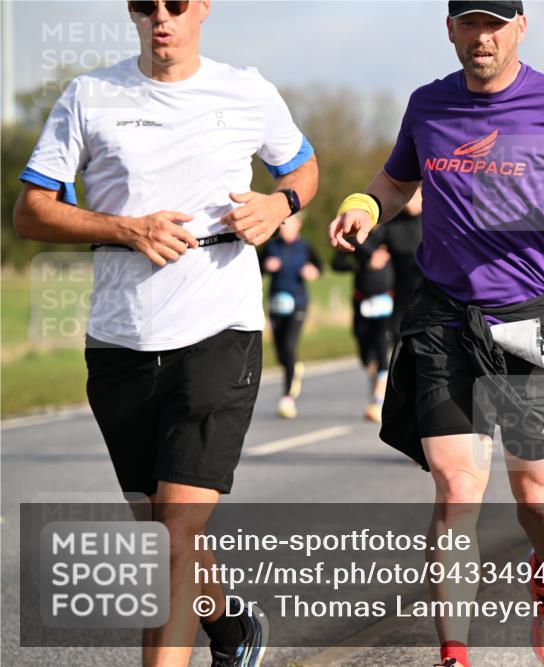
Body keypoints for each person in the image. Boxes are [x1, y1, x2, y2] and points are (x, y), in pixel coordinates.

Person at [327, 3, 544, 666]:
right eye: (469, 23)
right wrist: (363, 206)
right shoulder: (428, 105)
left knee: (534, 490)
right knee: (457, 486)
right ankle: (453, 653)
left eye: (495, 23)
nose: (482, 37)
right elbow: (395, 180)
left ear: (520, 26)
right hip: (445, 318)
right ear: (450, 29)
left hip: (528, 321)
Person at [13, 2, 318, 665]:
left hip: (219, 329)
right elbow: (31, 211)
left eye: (175, 3)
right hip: (121, 339)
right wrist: (126, 228)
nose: (161, 16)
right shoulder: (89, 96)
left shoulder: (246, 89)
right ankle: (230, 628)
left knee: (173, 536)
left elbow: (302, 167)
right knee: (164, 535)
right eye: (145, 4)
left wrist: (279, 202)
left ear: (202, 8)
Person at [261, 213, 322, 419]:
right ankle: (293, 367)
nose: (285, 227)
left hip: (298, 303)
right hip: (276, 303)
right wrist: (266, 266)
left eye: (289, 224)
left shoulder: (305, 247)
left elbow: (319, 268)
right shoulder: (271, 246)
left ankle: (287, 398)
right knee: (280, 351)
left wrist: (312, 272)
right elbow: (257, 269)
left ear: (299, 225)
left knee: (289, 346)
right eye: (283, 224)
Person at [332, 228, 396, 423]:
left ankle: (378, 400)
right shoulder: (354, 237)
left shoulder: (389, 234)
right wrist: (362, 265)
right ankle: (377, 387)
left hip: (386, 301)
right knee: (365, 353)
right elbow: (336, 263)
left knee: (382, 347)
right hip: (362, 302)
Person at [381, 187, 425, 346]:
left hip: (431, 298)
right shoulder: (390, 223)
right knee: (399, 339)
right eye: (407, 197)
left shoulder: (436, 221)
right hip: (401, 299)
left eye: (414, 196)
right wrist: (373, 256)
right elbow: (368, 245)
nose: (410, 202)